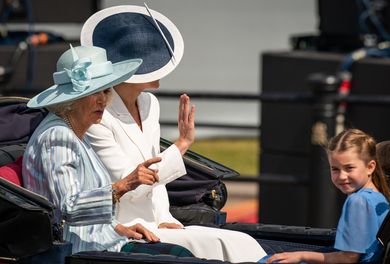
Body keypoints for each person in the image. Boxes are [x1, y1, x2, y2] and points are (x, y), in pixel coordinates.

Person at [81, 4, 267, 263]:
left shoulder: (149, 104)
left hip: (159, 222)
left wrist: (166, 218)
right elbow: (131, 184)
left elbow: (153, 180)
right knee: (220, 243)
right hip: (125, 228)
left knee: (241, 242)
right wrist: (181, 145)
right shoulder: (99, 115)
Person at [21, 45, 193, 257]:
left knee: (182, 254)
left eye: (106, 91)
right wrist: (124, 185)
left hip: (104, 242)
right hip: (80, 252)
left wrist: (118, 228)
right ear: (70, 99)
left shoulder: (76, 133)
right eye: (94, 93)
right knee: (182, 257)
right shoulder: (58, 136)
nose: (103, 100)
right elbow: (69, 207)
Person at [266, 129, 390, 263]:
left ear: (370, 167)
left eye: (349, 168)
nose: (342, 176)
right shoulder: (381, 197)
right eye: (335, 169)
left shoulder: (358, 201)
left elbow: (349, 258)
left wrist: (301, 256)